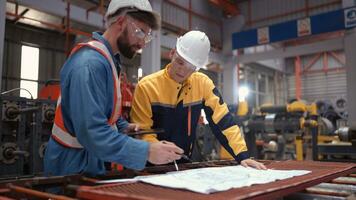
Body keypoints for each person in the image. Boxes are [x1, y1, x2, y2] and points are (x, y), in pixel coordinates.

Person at [44, 0, 183, 177]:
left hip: (90, 161)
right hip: (70, 166)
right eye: (140, 32)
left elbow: (102, 111)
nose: (143, 44)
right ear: (121, 22)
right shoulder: (90, 65)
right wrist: (146, 151)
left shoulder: (109, 60)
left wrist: (124, 126)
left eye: (147, 36)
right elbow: (92, 132)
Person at [130, 31, 266, 169]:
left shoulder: (202, 84)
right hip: (151, 166)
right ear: (172, 53)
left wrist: (242, 156)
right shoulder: (147, 87)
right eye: (180, 62)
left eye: (190, 68)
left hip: (185, 165)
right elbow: (142, 131)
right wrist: (155, 149)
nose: (182, 71)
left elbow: (224, 122)